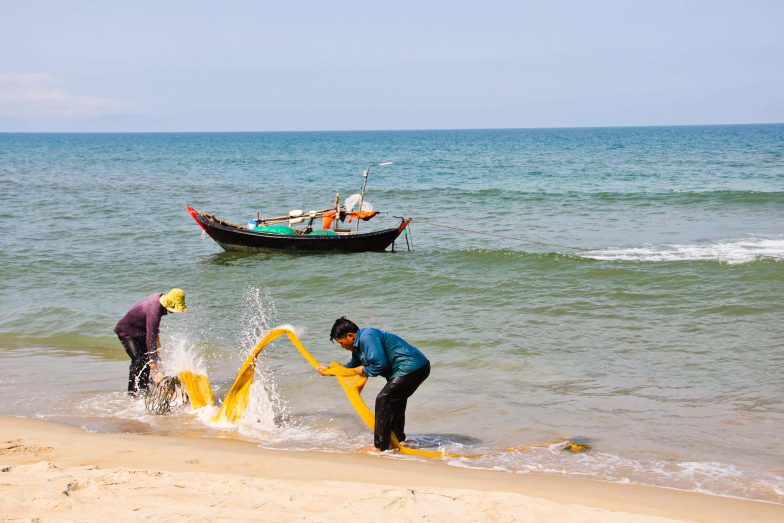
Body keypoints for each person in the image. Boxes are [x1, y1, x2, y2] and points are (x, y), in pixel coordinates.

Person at [317, 317, 430, 452]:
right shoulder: (358, 347)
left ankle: (380, 446)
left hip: (411, 367)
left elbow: (380, 365)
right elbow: (352, 367)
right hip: (415, 368)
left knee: (383, 399)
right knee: (396, 403)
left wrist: (365, 370)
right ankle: (398, 441)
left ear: (350, 335)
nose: (342, 346)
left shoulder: (367, 337)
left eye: (341, 342)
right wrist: (330, 371)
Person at [114, 288, 188, 396]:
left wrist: (155, 354)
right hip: (126, 332)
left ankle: (143, 388)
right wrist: (153, 360)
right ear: (171, 303)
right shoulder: (154, 310)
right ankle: (132, 392)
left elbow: (154, 330)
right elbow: (150, 335)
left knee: (146, 360)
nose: (172, 312)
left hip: (140, 332)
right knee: (139, 360)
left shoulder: (159, 298)